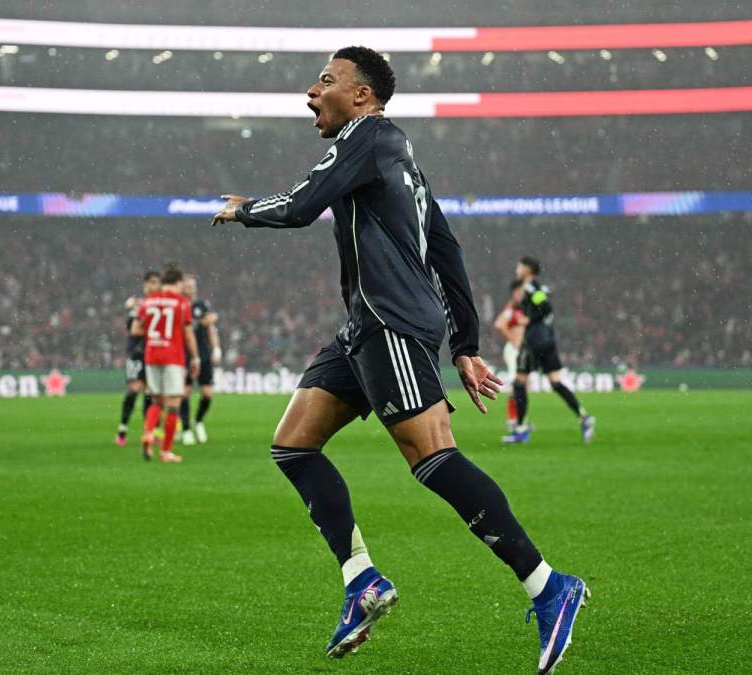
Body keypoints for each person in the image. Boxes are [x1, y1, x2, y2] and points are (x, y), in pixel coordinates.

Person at [212, 46, 588, 673]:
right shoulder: (402, 160)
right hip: (366, 327)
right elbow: (448, 250)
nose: (312, 93)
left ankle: (549, 586)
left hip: (390, 322)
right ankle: (361, 579)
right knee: (293, 445)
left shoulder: (369, 135)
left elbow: (304, 203)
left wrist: (244, 209)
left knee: (432, 456)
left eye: (326, 82)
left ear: (362, 96)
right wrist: (464, 345)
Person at [503, 257, 596, 445]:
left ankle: (520, 430)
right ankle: (584, 417)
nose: (517, 268)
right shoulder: (539, 287)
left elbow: (545, 307)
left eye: (519, 266)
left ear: (528, 269)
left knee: (519, 383)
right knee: (555, 383)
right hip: (547, 340)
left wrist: (529, 320)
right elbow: (546, 307)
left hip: (534, 341)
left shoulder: (531, 287)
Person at [130, 264, 200, 463]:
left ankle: (148, 433)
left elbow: (136, 330)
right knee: (173, 404)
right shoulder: (181, 303)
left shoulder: (148, 301)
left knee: (156, 401)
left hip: (151, 355)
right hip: (173, 356)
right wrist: (195, 358)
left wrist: (156, 333)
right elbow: (188, 334)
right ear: (178, 283)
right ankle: (166, 451)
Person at [116, 271, 160, 446]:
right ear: (144, 285)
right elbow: (133, 329)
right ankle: (122, 429)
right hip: (137, 353)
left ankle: (148, 431)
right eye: (150, 282)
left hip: (155, 353)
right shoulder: (137, 307)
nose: (152, 286)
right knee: (134, 390)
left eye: (156, 282)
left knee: (151, 394)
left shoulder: (160, 305)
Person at [178, 274, 221, 446]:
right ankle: (186, 429)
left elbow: (211, 328)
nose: (191, 289)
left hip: (203, 355)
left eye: (193, 286)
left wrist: (216, 348)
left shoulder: (201, 306)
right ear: (182, 287)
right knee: (185, 393)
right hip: (184, 355)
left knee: (207, 394)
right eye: (188, 286)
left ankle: (198, 421)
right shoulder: (179, 305)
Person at [493, 279, 527, 432]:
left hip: (520, 350)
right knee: (516, 386)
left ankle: (518, 420)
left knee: (520, 386)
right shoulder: (511, 308)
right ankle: (514, 421)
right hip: (513, 350)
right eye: (519, 291)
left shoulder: (522, 308)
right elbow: (499, 324)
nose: (521, 294)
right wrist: (512, 339)